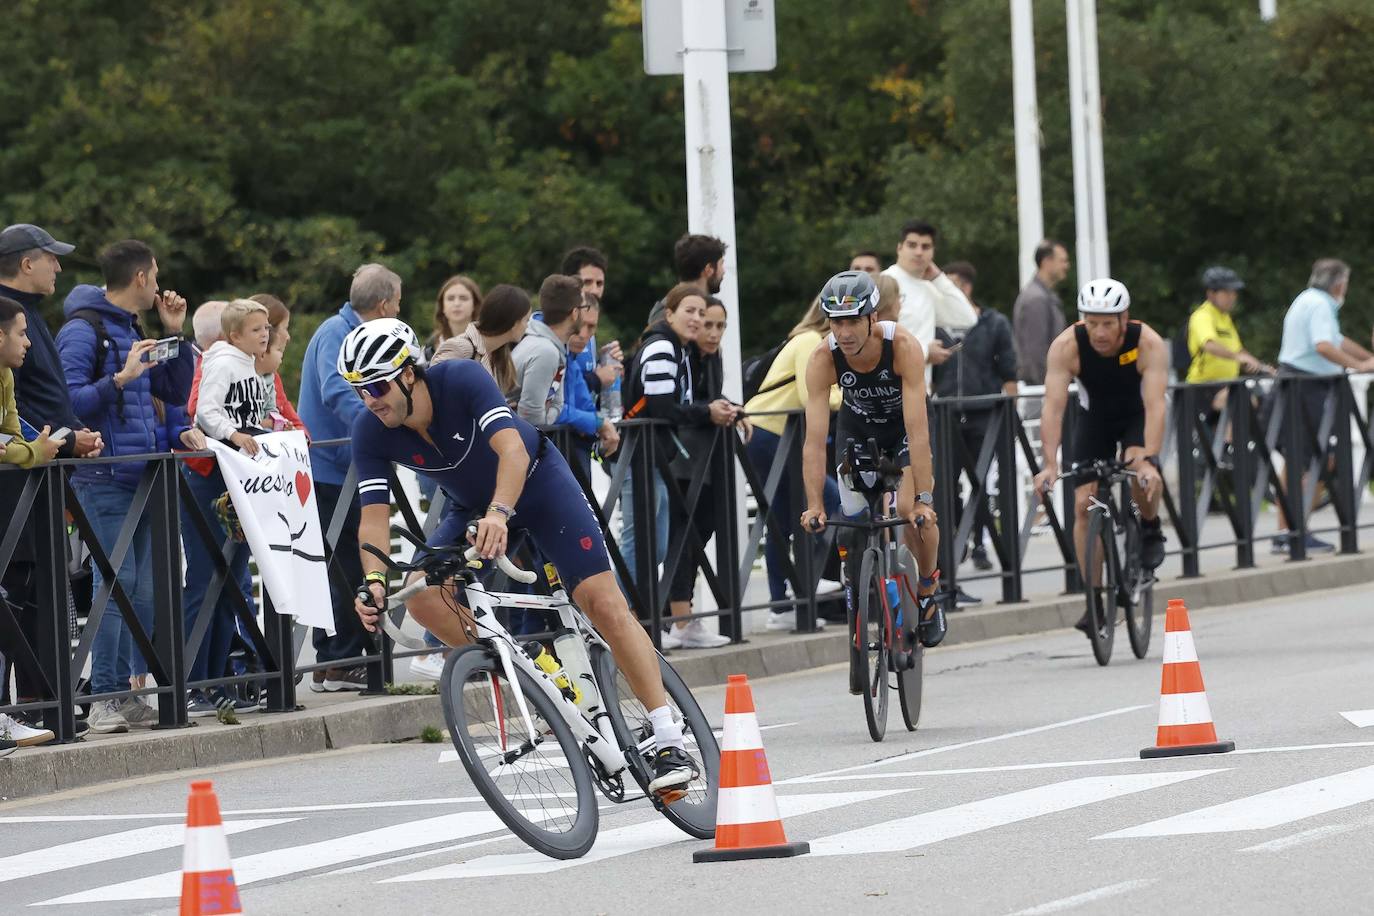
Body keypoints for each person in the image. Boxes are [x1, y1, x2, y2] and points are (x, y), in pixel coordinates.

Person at [342, 319, 700, 794]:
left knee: (602, 601)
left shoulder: (461, 380)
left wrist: (500, 513)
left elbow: (510, 449)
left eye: (377, 385)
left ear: (409, 373)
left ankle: (668, 734)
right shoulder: (369, 429)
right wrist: (372, 583)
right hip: (472, 506)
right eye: (359, 389)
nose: (370, 398)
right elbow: (372, 518)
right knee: (424, 599)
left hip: (536, 483)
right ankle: (526, 664)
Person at [57, 239, 194, 733]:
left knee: (148, 590)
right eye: (155, 274)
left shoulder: (131, 326)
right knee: (117, 585)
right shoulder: (81, 331)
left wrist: (174, 334)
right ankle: (104, 699)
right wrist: (119, 378)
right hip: (104, 476)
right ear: (141, 277)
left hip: (142, 475)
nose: (159, 285)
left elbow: (174, 393)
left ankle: (131, 691)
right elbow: (67, 405)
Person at [800, 271, 947, 651]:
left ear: (872, 318)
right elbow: (814, 442)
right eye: (836, 322)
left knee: (908, 514)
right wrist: (814, 503)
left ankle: (929, 588)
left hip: (902, 430)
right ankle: (865, 593)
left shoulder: (902, 345)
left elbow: (917, 433)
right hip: (858, 431)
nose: (844, 332)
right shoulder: (822, 357)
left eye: (852, 321)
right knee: (852, 518)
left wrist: (925, 499)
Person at [0, 225, 101, 742]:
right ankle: (31, 705)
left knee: (39, 588)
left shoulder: (30, 315)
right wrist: (62, 440)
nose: (58, 268)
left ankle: (46, 700)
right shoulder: (5, 313)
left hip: (40, 468)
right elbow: (17, 410)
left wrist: (66, 438)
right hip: (19, 478)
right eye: (51, 259)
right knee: (18, 588)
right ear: (24, 263)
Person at [1032, 279, 1169, 635]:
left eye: (1108, 323)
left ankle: (1151, 529)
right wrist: (1049, 463)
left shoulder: (1147, 342)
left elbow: (1155, 406)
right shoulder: (1067, 345)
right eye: (1092, 323)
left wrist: (1150, 459)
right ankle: (1094, 601)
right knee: (1083, 506)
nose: (1100, 332)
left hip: (1137, 416)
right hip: (1095, 420)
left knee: (1141, 471)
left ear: (1125, 319)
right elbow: (1053, 408)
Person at [297, 263, 403, 692]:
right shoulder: (335, 333)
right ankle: (339, 662)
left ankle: (338, 661)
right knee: (342, 564)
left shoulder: (345, 331)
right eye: (397, 303)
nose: (400, 310)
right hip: (332, 468)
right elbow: (335, 391)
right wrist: (379, 425)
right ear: (382, 304)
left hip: (345, 466)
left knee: (347, 561)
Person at [623, 283, 742, 649]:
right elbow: (661, 406)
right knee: (644, 544)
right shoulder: (662, 346)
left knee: (654, 545)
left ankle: (640, 623)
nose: (699, 321)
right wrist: (706, 412)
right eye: (690, 312)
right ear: (669, 314)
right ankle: (633, 624)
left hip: (658, 455)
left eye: (702, 314)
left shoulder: (678, 348)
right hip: (644, 453)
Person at [743, 297, 842, 630]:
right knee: (831, 499)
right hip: (771, 434)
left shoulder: (804, 340)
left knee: (782, 519)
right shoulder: (810, 341)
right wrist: (846, 395)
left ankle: (782, 602)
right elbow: (808, 393)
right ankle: (807, 580)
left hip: (766, 434)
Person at [662, 296, 751, 650]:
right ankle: (678, 618)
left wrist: (733, 408)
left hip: (707, 457)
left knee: (703, 529)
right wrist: (709, 410)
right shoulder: (678, 355)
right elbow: (680, 404)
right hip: (682, 457)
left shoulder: (711, 357)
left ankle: (679, 615)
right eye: (706, 323)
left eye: (719, 326)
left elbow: (708, 397)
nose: (712, 332)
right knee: (682, 535)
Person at [1271, 259, 1374, 553]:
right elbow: (1324, 346)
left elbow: (1337, 340)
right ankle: (1296, 531)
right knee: (1319, 459)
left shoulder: (1306, 299)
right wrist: (1358, 367)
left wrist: (1367, 359)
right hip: (1308, 386)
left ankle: (1286, 532)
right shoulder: (1322, 305)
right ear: (1339, 284)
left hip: (1293, 382)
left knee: (1296, 460)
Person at [0, 296, 64, 751]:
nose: (28, 342)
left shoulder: (5, 375)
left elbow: (10, 436)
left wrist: (27, 449)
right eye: (21, 333)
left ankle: (5, 719)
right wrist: (32, 454)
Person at [930, 262, 1017, 591]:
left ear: (966, 288)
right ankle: (957, 539)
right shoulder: (935, 327)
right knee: (946, 485)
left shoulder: (993, 323)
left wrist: (1010, 413)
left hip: (984, 414)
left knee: (980, 482)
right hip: (945, 415)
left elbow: (1009, 369)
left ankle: (980, 541)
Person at [880, 219, 977, 358]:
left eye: (925, 247)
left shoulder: (929, 288)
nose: (919, 252)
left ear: (933, 252)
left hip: (921, 379)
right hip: (888, 377)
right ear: (899, 248)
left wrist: (939, 278)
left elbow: (968, 318)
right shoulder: (884, 283)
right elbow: (874, 338)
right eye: (912, 245)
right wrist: (925, 352)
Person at [556, 294, 620, 481]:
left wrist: (599, 423)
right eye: (580, 323)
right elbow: (546, 410)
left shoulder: (569, 356)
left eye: (591, 327)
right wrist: (597, 423)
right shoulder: (546, 350)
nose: (583, 334)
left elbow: (583, 401)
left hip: (572, 451)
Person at [431, 283, 531, 394]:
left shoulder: (500, 355)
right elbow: (432, 392)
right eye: (526, 320)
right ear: (514, 323)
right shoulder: (460, 347)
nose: (527, 326)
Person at [511, 275, 583, 426]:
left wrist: (545, 416)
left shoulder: (552, 346)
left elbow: (558, 404)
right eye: (584, 308)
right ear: (575, 313)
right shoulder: (545, 351)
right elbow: (530, 419)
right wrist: (545, 418)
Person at [1012, 239, 1071, 387]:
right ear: (1046, 262)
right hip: (1042, 390)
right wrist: (1048, 387)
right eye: (1062, 261)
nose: (1067, 266)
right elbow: (1035, 352)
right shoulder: (1036, 299)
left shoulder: (1043, 296)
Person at [645, 234, 727, 326]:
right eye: (721, 264)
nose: (724, 271)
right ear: (709, 270)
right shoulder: (666, 315)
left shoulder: (666, 310)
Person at [426, 275, 481, 360]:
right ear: (442, 306)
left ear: (475, 305)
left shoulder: (488, 343)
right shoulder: (430, 346)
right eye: (450, 298)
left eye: (463, 298)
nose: (457, 303)